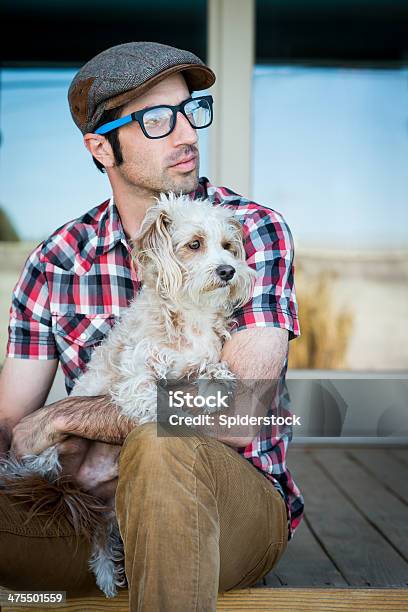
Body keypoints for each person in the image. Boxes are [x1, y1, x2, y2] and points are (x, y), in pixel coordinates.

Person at [0, 42, 304, 611]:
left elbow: (237, 413)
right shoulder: (57, 259)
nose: (187, 133)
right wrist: (39, 437)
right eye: (157, 120)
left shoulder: (252, 233)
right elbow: (15, 429)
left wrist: (69, 415)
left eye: (192, 111)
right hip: (87, 513)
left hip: (230, 507)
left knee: (163, 445)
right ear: (101, 147)